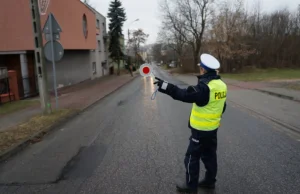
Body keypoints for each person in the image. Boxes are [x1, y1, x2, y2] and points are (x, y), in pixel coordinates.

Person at [154, 53, 227, 193]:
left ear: (204, 70)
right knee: (210, 155)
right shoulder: (221, 85)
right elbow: (222, 106)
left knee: (191, 158)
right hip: (212, 129)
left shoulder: (204, 87)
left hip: (200, 130)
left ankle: (190, 187)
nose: (200, 70)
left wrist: (165, 86)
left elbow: (184, 95)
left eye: (201, 68)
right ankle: (210, 181)